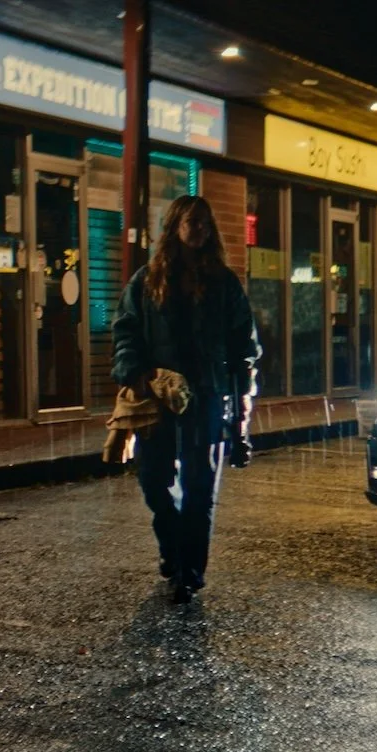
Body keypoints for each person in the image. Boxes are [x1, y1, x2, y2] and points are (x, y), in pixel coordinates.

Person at [112, 196, 260, 604]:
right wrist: (136, 374)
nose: (200, 230)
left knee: (199, 490)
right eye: (193, 223)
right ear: (175, 225)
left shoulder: (223, 283)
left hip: (209, 397)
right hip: (159, 396)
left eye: (206, 224)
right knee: (154, 484)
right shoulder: (147, 280)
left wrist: (241, 405)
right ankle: (172, 549)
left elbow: (244, 346)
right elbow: (126, 330)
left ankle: (189, 571)